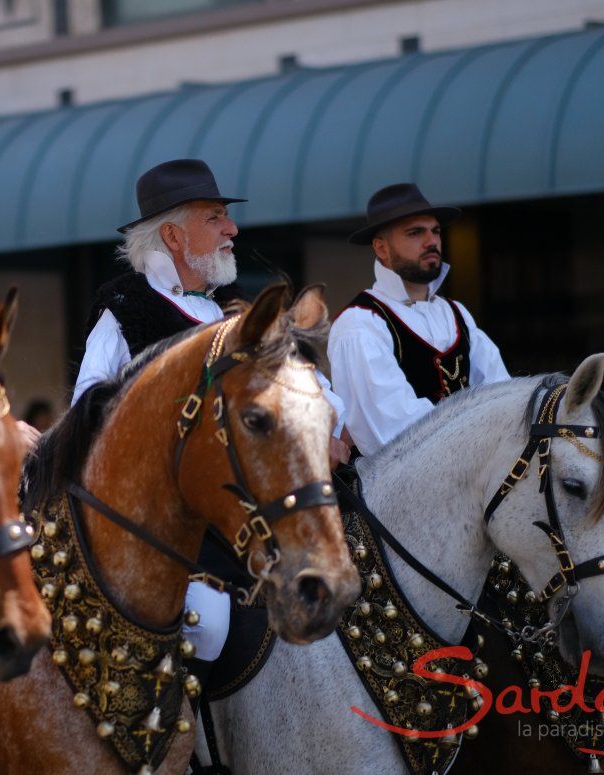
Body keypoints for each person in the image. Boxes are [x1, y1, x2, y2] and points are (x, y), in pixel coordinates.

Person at [72, 158, 348, 688]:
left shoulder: (228, 314)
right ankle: (188, 742)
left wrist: (331, 425)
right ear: (174, 235)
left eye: (226, 217)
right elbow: (89, 415)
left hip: (246, 506)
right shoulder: (124, 308)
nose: (232, 229)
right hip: (165, 526)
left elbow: (308, 392)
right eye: (216, 217)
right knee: (212, 626)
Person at [328, 183, 510, 457]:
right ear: (381, 248)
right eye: (415, 233)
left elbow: (503, 395)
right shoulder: (360, 324)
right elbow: (395, 433)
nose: (432, 241)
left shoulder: (456, 312)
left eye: (435, 231)